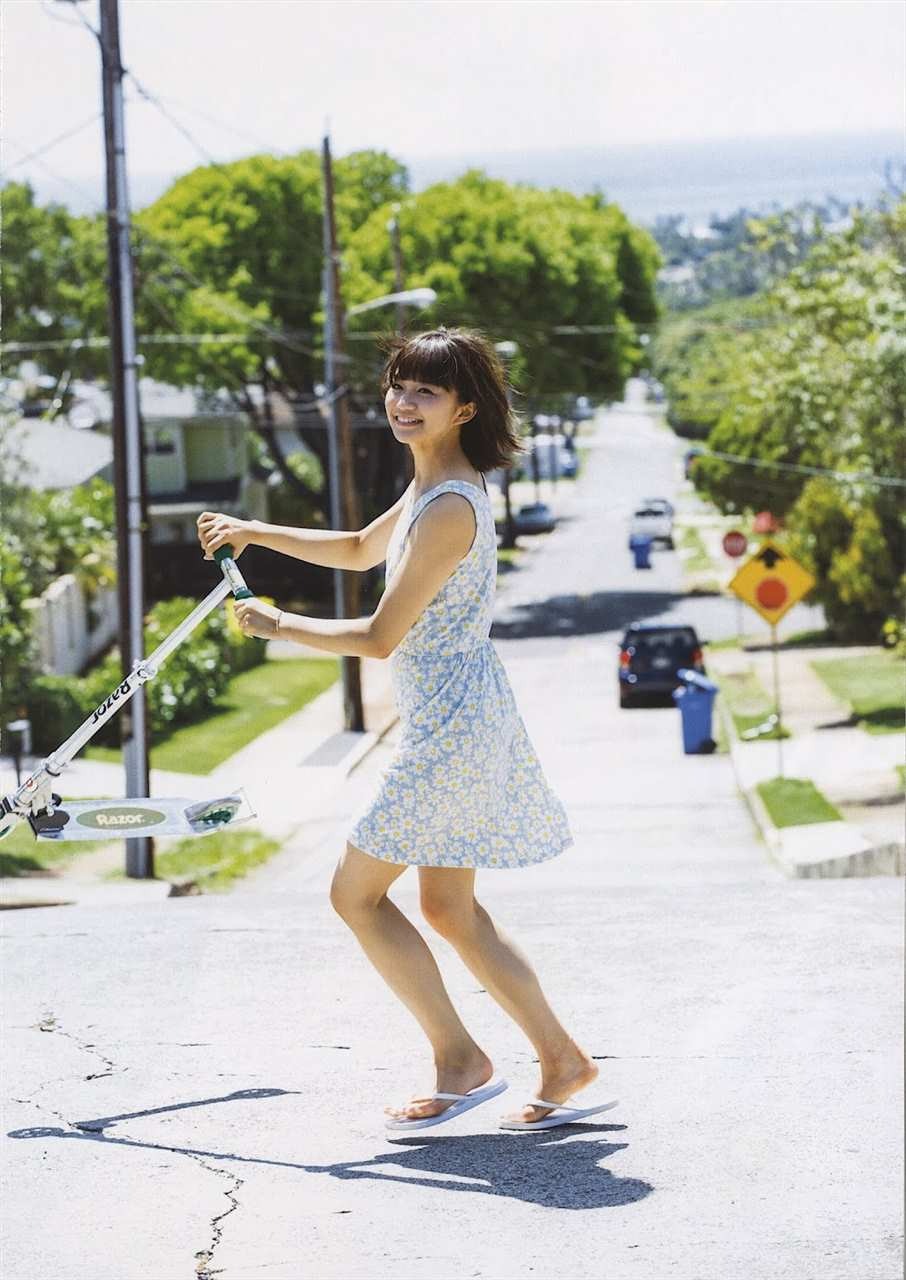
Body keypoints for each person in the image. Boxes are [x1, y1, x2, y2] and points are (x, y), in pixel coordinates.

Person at [197, 327, 616, 1133]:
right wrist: (256, 531)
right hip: (454, 716)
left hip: (453, 729)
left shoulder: (451, 504)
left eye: (426, 390)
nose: (403, 402)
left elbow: (381, 636)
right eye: (397, 385)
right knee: (451, 909)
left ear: (465, 408)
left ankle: (462, 1059)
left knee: (354, 893)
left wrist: (278, 624)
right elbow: (360, 549)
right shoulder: (432, 486)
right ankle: (560, 1060)